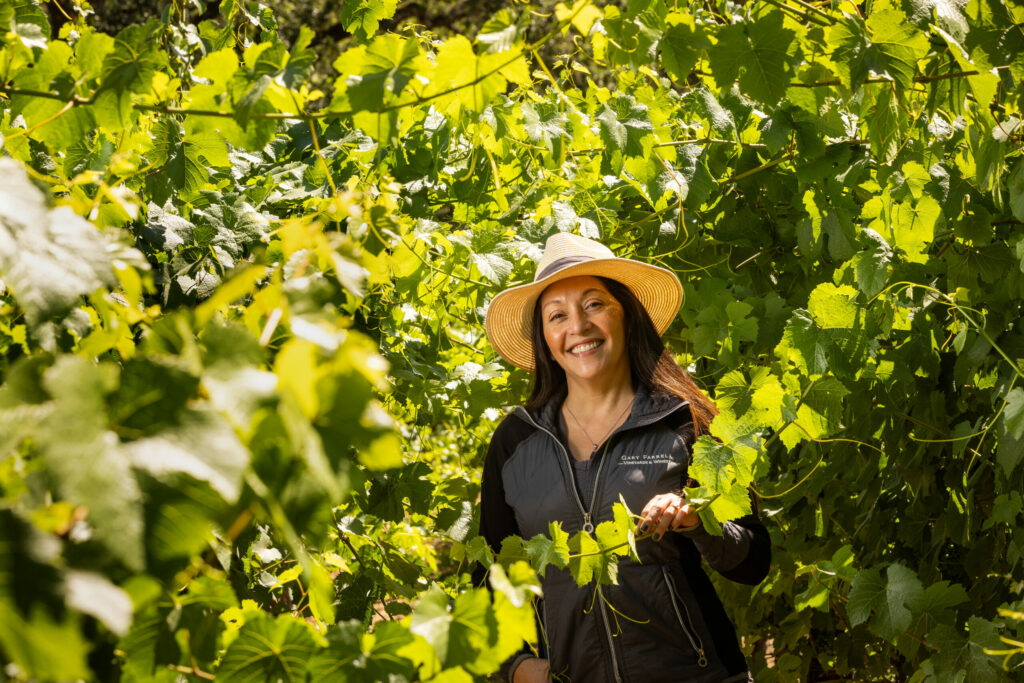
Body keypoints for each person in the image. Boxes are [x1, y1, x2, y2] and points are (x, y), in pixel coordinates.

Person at [479, 232, 771, 683]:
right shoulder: (515, 442)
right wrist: (518, 668)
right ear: (545, 338)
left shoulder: (688, 421)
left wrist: (699, 522)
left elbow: (754, 561)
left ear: (627, 315)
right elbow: (489, 581)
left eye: (594, 304)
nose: (577, 326)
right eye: (557, 315)